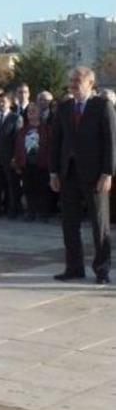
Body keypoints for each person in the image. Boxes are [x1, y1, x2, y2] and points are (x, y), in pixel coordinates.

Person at [50, 66, 116, 285]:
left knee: (99, 223)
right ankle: (74, 267)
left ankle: (102, 269)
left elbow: (111, 142)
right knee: (69, 223)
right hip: (68, 173)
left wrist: (108, 172)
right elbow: (56, 142)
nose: (73, 85)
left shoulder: (102, 106)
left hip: (95, 174)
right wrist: (54, 172)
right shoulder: (65, 107)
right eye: (70, 81)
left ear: (90, 83)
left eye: (77, 81)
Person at [0, 91, 23, 218]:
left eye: (4, 101)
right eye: (0, 101)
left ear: (10, 103)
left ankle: (13, 210)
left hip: (10, 157)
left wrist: (15, 156)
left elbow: (18, 140)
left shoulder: (15, 118)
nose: (1, 103)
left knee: (11, 185)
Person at [13, 102, 51, 222]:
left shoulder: (46, 129)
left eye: (34, 111)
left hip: (42, 164)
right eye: (29, 111)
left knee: (43, 189)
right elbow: (18, 147)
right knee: (29, 189)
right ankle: (31, 212)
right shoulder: (23, 130)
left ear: (39, 113)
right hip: (27, 164)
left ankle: (44, 213)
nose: (31, 113)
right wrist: (17, 162)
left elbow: (51, 146)